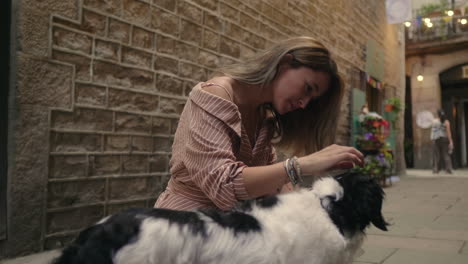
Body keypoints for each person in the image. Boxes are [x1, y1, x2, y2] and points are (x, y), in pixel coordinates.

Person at [154, 36, 364, 211]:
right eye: (308, 88)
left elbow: (273, 186)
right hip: (184, 229)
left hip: (233, 231)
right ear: (284, 63)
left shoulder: (264, 114)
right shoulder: (215, 92)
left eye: (312, 101)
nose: (304, 104)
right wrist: (302, 164)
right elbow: (223, 185)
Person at [431, 109, 453, 174]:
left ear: (437, 114)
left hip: (436, 139)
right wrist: (450, 141)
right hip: (444, 139)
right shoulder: (447, 122)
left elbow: (433, 131)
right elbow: (448, 132)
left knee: (436, 155)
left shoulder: (434, 121)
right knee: (446, 154)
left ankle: (436, 169)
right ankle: (448, 169)